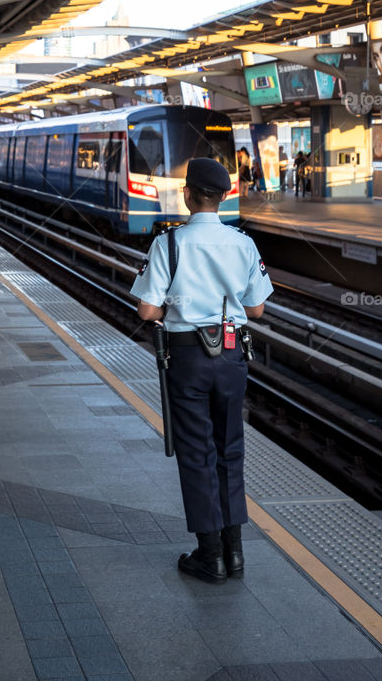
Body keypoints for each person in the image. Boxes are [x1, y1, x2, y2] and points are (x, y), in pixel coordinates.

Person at [131, 157, 273, 585]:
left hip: (189, 358)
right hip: (232, 357)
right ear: (225, 197)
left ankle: (209, 556)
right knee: (230, 448)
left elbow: (147, 309)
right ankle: (235, 553)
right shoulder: (243, 243)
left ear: (188, 196)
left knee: (197, 452)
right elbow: (258, 309)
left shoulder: (168, 244)